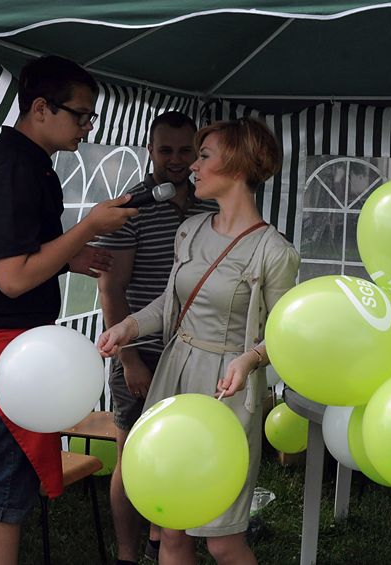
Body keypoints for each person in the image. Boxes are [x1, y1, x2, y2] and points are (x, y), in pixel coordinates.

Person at [0, 55, 137, 565]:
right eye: (81, 115)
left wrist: (68, 257)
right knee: (2, 494)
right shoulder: (13, 170)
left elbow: (9, 254)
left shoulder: (22, 161)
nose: (88, 128)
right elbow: (13, 278)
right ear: (41, 108)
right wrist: (86, 229)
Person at [97, 117, 300, 565]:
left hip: (225, 392)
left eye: (204, 156)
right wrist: (125, 329)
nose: (193, 166)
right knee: (171, 529)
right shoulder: (189, 231)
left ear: (239, 164)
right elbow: (167, 305)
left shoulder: (275, 251)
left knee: (223, 540)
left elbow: (286, 336)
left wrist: (248, 361)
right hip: (174, 374)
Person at [91, 111, 218, 564]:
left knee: (180, 451)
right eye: (166, 150)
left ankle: (162, 541)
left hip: (193, 349)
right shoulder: (132, 206)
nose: (177, 160)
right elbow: (111, 288)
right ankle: (128, 553)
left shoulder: (211, 202)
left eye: (187, 151)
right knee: (133, 455)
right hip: (139, 348)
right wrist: (129, 362)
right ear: (150, 150)